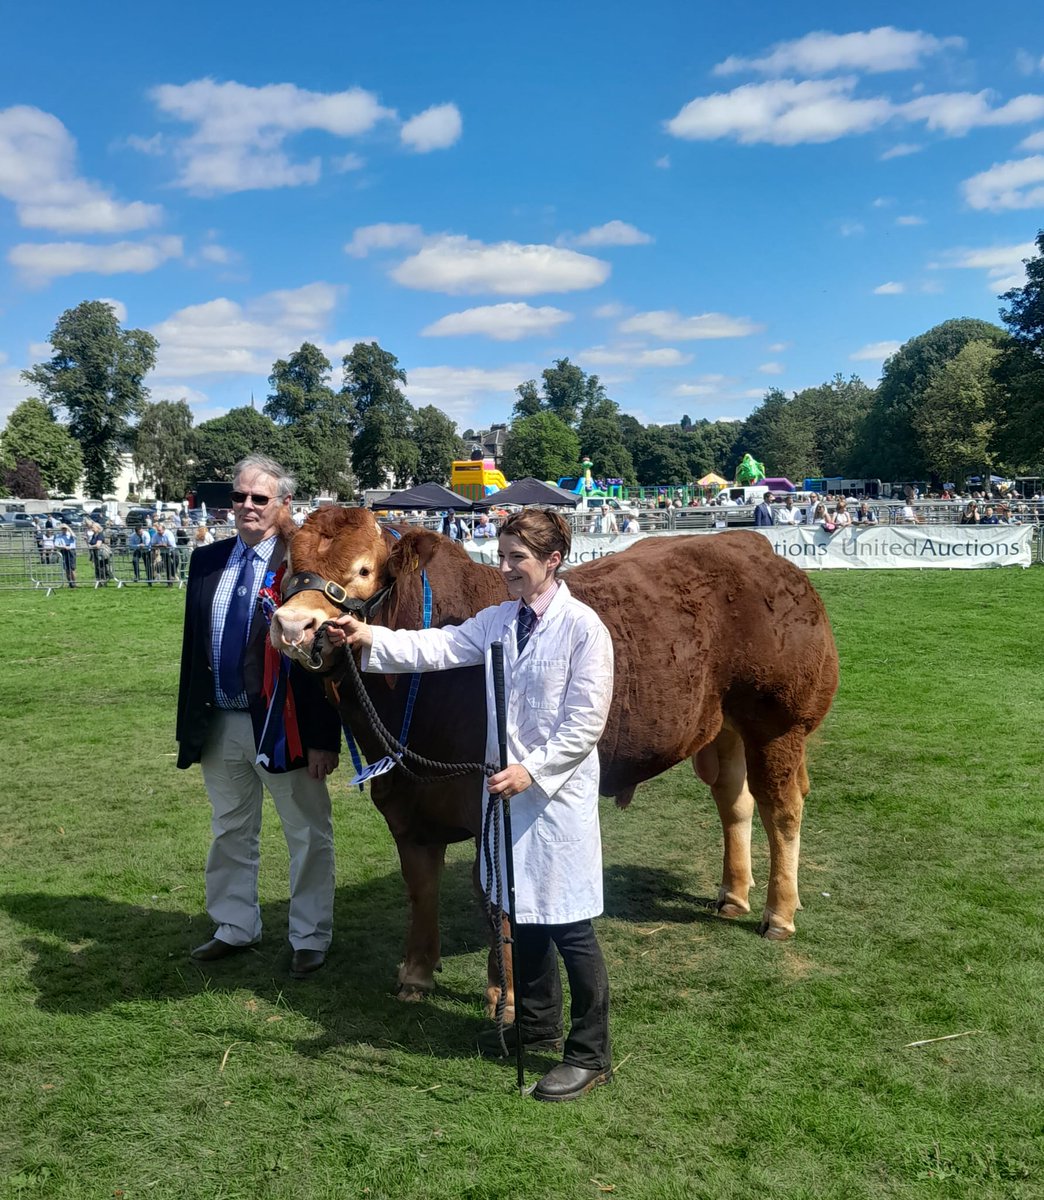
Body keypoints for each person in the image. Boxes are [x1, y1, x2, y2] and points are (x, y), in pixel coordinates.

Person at [328, 508, 615, 1103]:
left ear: (552, 561)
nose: (505, 568)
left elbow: (585, 722)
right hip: (503, 792)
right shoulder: (500, 621)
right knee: (521, 911)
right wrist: (368, 636)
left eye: (518, 559)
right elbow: (439, 646)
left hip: (552, 796)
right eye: (502, 555)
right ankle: (536, 1025)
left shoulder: (583, 628)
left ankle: (591, 1053)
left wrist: (532, 771)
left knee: (568, 925)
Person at [176, 454, 341, 979]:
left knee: (307, 832)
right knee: (230, 827)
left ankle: (310, 935)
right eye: (239, 497)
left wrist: (322, 738)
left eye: (260, 498)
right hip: (220, 722)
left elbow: (323, 661)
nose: (247, 506)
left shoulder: (302, 565)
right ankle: (234, 925)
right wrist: (190, 726)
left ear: (284, 504)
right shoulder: (206, 561)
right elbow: (192, 649)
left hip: (284, 724)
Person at [86, 520, 113, 585]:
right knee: (97, 567)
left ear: (97, 528)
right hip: (95, 554)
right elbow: (90, 544)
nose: (92, 528)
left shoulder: (100, 535)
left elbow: (98, 545)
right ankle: (99, 580)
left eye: (93, 527)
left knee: (102, 567)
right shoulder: (94, 535)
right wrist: (87, 541)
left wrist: (91, 546)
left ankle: (103, 581)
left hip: (101, 554)